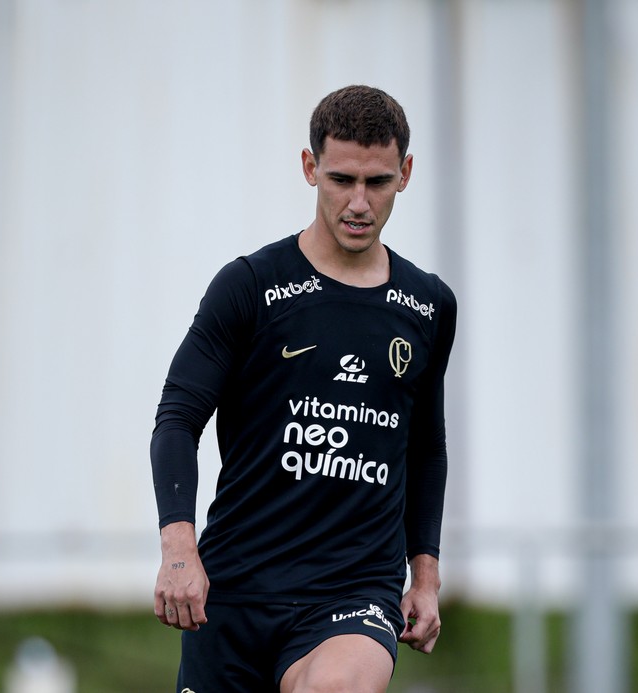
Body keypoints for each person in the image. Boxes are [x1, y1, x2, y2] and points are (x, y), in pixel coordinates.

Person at [150, 85, 458, 693]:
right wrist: (179, 549)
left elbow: (426, 446)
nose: (359, 203)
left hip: (354, 592)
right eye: (342, 180)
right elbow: (178, 418)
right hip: (237, 589)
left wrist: (424, 575)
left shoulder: (428, 305)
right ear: (310, 167)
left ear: (406, 174)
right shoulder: (249, 286)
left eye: (378, 182)